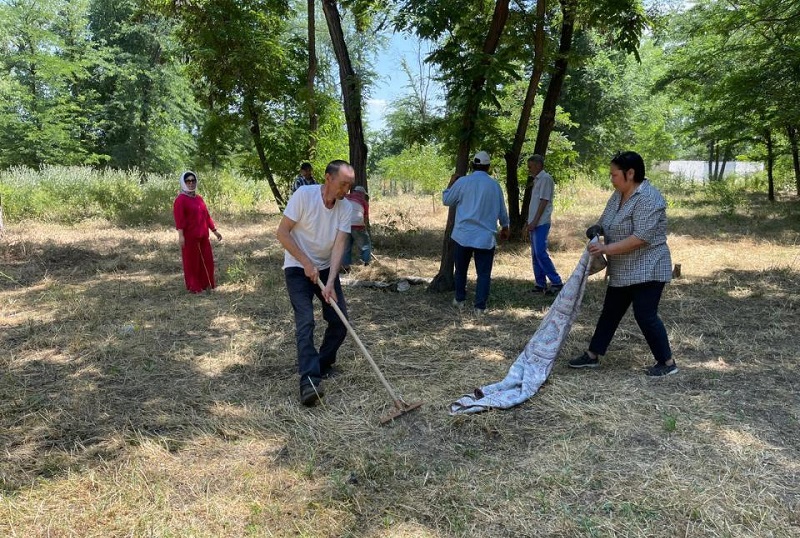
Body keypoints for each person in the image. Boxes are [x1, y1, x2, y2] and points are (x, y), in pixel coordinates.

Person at [569, 151, 677, 377]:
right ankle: (592, 355)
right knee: (610, 311)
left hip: (649, 267)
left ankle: (667, 362)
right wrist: (597, 229)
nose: (611, 179)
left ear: (630, 173)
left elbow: (640, 238)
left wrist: (605, 249)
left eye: (614, 175)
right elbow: (606, 221)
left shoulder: (649, 198)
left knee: (645, 315)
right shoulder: (618, 194)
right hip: (623, 268)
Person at [276, 160, 355, 406]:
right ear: (328, 178)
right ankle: (309, 382)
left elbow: (339, 245)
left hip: (325, 268)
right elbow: (282, 233)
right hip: (297, 267)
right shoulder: (304, 195)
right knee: (306, 321)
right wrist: (305, 262)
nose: (346, 191)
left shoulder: (346, 207)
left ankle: (321, 364)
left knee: (339, 321)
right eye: (343, 184)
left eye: (350, 186)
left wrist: (330, 282)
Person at [443, 150, 510, 315]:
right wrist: (505, 226)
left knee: (460, 270)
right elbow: (502, 210)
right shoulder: (495, 186)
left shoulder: (462, 182)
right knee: (484, 273)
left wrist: (450, 184)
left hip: (462, 235)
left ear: (472, 165)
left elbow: (447, 200)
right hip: (484, 237)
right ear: (489, 167)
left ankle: (459, 299)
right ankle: (480, 307)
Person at [173, 171, 222, 293]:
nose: (191, 183)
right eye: (188, 181)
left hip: (203, 236)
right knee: (192, 263)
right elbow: (179, 219)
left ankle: (207, 284)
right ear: (183, 183)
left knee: (207, 261)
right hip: (189, 237)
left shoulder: (199, 199)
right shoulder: (180, 200)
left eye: (193, 180)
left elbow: (206, 216)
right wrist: (181, 236)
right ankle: (194, 287)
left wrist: (215, 231)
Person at [526, 154, 563, 295]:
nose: (529, 169)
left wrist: (535, 221)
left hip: (541, 222)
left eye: (530, 166)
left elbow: (544, 201)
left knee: (540, 253)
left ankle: (556, 281)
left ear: (538, 165)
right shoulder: (537, 180)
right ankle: (540, 283)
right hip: (535, 222)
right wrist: (529, 222)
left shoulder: (545, 179)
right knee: (536, 255)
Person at [342, 185, 372, 270]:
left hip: (345, 225)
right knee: (366, 245)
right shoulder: (364, 202)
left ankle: (346, 267)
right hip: (358, 225)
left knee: (346, 247)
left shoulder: (345, 198)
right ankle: (366, 265)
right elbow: (365, 217)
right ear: (362, 194)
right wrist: (364, 227)